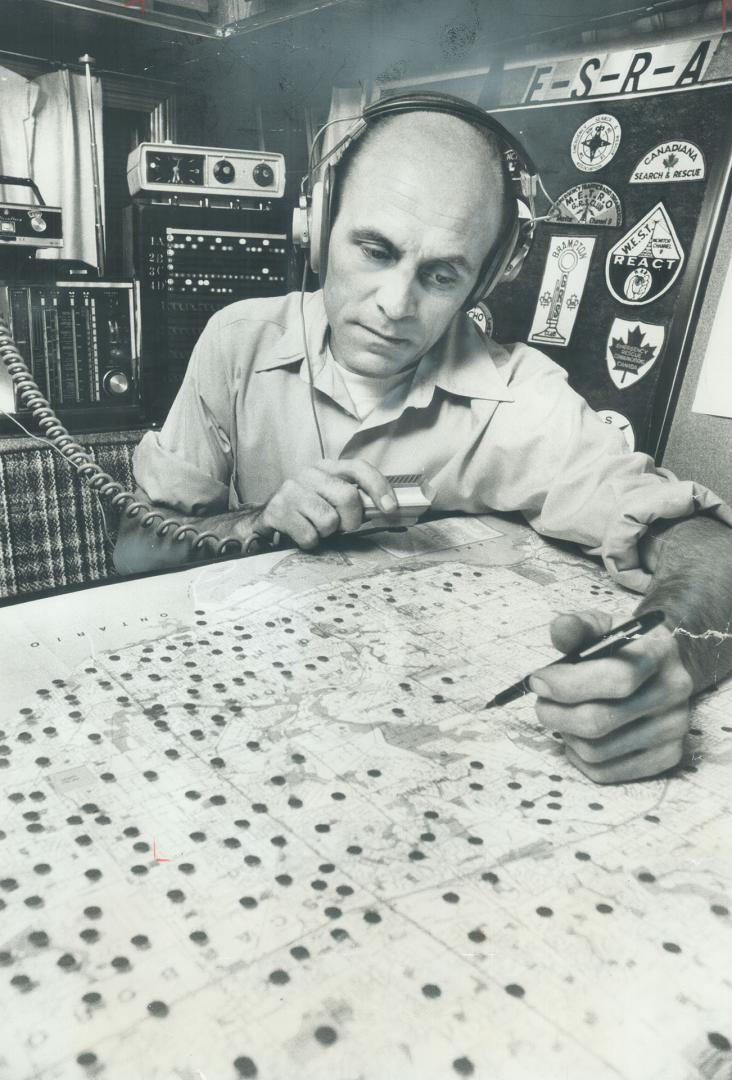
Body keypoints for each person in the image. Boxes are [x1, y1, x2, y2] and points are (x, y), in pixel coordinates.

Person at [114, 97, 732, 785]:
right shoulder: (237, 340)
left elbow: (711, 549)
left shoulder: (522, 395)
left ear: (487, 277)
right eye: (374, 251)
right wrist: (256, 522)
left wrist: (669, 653)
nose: (395, 304)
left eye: (442, 274)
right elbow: (134, 551)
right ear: (316, 226)